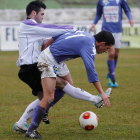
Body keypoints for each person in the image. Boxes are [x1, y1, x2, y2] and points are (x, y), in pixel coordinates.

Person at [14, 1, 110, 134]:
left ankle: (27, 121)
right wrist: (70, 28)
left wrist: (50, 44)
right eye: (42, 14)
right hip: (31, 67)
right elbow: (54, 29)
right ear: (33, 13)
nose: (43, 16)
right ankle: (30, 126)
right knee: (48, 98)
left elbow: (55, 35)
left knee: (66, 86)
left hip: (44, 62)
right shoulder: (28, 25)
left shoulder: (36, 28)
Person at [25, 30, 115, 139]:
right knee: (49, 97)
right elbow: (91, 70)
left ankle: (96, 100)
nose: (106, 51)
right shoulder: (90, 47)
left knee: (68, 86)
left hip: (58, 60)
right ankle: (31, 130)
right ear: (102, 43)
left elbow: (61, 33)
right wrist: (102, 92)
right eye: (107, 48)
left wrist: (47, 44)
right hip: (48, 60)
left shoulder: (85, 34)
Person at [90, 0, 134, 87]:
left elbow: (127, 10)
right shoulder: (101, 1)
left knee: (116, 54)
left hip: (118, 31)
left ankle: (109, 73)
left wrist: (130, 18)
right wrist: (94, 23)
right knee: (112, 53)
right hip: (107, 31)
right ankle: (112, 78)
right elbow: (99, 14)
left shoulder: (120, 1)